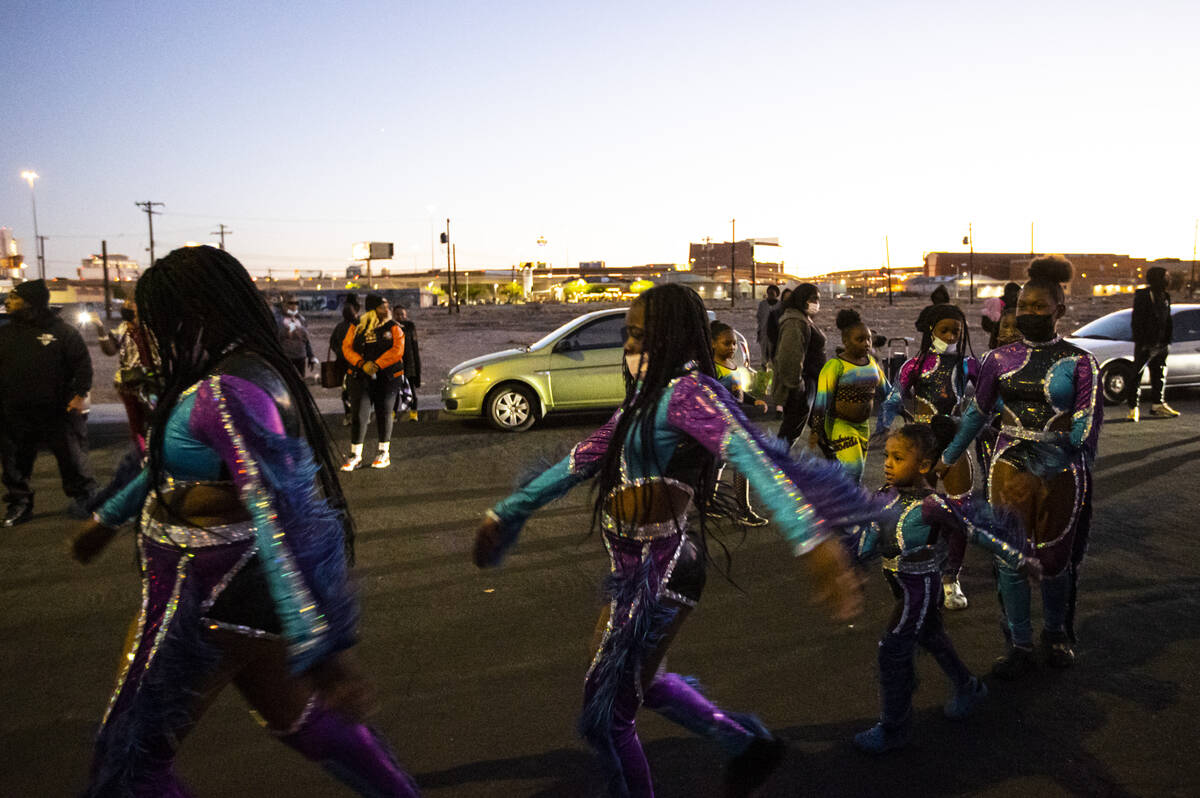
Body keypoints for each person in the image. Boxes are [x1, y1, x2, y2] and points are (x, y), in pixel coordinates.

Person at [474, 284, 878, 798]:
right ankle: (746, 745)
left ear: (670, 336)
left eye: (640, 335)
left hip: (661, 572)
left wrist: (810, 539)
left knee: (607, 712)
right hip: (631, 573)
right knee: (636, 684)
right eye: (628, 335)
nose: (629, 346)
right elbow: (576, 463)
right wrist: (507, 514)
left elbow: (753, 458)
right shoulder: (643, 404)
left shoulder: (691, 394)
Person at [68, 246, 419, 797]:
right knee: (301, 722)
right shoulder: (231, 372)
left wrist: (319, 648)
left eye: (151, 320)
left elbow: (275, 509)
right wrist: (107, 520)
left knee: (128, 758)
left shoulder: (227, 390)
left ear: (191, 314)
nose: (144, 332)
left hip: (205, 594)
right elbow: (171, 463)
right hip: (238, 592)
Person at [936, 255, 1101, 678]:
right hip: (1008, 466)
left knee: (1054, 561)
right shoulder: (997, 360)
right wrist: (949, 455)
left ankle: (1057, 635)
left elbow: (1086, 424)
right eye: (1023, 307)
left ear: (1059, 310)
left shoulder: (1083, 363)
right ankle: (1019, 643)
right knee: (1009, 559)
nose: (1028, 313)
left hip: (1060, 470)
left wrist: (1071, 447)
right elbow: (976, 413)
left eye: (1039, 307)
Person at [851, 421, 1041, 753]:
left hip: (919, 589)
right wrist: (851, 561)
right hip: (899, 584)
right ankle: (968, 687)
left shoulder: (932, 505)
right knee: (933, 638)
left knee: (892, 650)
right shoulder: (882, 496)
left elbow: (975, 530)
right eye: (886, 456)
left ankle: (894, 728)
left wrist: (1018, 558)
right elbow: (868, 538)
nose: (888, 464)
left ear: (924, 465)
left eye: (898, 458)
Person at [875, 303, 979, 610]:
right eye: (944, 330)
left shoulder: (969, 365)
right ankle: (911, 570)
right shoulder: (913, 366)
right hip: (921, 446)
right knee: (913, 512)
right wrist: (887, 429)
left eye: (956, 332)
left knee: (960, 515)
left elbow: (987, 402)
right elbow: (893, 399)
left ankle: (951, 578)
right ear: (929, 330)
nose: (950, 336)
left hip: (954, 445)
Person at [0, 279, 98, 526]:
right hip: (14, 413)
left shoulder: (62, 332)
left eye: (14, 297)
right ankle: (19, 503)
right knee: (15, 463)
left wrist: (78, 396)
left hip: (59, 412)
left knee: (72, 460)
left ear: (31, 302)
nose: (8, 301)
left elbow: (83, 366)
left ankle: (85, 498)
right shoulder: (5, 333)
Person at [809, 309, 890, 484]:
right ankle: (849, 504)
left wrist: (902, 409)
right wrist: (816, 429)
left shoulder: (872, 364)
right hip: (841, 425)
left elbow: (888, 391)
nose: (866, 344)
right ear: (845, 341)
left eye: (868, 339)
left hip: (863, 426)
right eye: (860, 340)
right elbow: (821, 400)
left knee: (854, 473)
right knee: (854, 470)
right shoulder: (835, 366)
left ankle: (841, 501)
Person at [711, 320, 767, 527]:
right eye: (727, 343)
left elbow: (738, 392)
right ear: (712, 344)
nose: (732, 347)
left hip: (735, 424)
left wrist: (753, 400)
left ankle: (709, 502)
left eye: (734, 343)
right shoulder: (712, 369)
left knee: (719, 463)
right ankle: (743, 511)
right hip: (722, 426)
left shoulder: (732, 365)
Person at [341, 294, 405, 470]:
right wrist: (362, 364)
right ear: (372, 309)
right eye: (383, 306)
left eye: (387, 306)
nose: (387, 309)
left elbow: (397, 350)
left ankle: (384, 452)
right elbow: (346, 348)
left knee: (384, 411)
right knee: (359, 415)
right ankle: (355, 455)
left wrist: (376, 365)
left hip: (388, 378)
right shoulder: (356, 327)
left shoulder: (394, 327)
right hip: (360, 376)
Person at [91, 298, 159, 453]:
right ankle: (142, 453)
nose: (126, 309)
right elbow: (110, 351)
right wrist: (100, 328)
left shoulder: (152, 328)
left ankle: (154, 451)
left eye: (130, 306)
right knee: (135, 423)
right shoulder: (122, 329)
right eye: (125, 307)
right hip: (128, 384)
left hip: (151, 382)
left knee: (154, 419)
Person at [772, 284, 825, 447]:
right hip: (802, 385)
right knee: (790, 432)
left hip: (811, 383)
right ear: (801, 299)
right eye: (812, 298)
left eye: (818, 299)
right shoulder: (795, 321)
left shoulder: (803, 318)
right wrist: (798, 385)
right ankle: (772, 465)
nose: (816, 302)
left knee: (816, 426)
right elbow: (789, 357)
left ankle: (837, 462)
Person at [1127, 266, 1178, 422]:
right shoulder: (1143, 296)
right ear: (1158, 278)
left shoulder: (1166, 296)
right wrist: (1142, 341)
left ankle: (1158, 405)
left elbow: (1167, 320)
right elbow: (1136, 321)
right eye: (1166, 276)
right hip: (1146, 344)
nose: (1169, 279)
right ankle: (1133, 408)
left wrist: (1167, 340)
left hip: (1162, 343)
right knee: (1136, 375)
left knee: (1159, 375)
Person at [329, 298, 360, 426]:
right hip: (356, 365)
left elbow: (333, 343)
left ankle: (349, 415)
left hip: (346, 364)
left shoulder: (340, 327)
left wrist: (340, 353)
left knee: (347, 391)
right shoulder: (360, 326)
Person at [279, 297, 319, 378]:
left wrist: (311, 356)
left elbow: (306, 341)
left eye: (296, 303)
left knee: (300, 379)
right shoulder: (279, 320)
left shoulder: (301, 319)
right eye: (291, 303)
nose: (294, 306)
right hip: (287, 356)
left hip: (300, 356)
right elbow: (277, 338)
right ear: (285, 305)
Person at [394, 305, 422, 422]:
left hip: (409, 366)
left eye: (402, 314)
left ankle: (413, 414)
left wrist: (417, 369)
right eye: (397, 314)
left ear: (406, 315)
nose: (400, 316)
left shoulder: (410, 327)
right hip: (395, 367)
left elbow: (415, 348)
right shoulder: (391, 327)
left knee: (411, 392)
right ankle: (392, 415)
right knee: (394, 394)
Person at [981, 282, 1021, 349]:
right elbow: (986, 324)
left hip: (999, 342)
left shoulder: (1018, 304)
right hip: (1002, 341)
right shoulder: (1018, 305)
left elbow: (986, 324)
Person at [755, 285, 781, 368]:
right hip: (764, 332)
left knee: (774, 354)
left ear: (776, 294)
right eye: (769, 293)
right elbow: (759, 317)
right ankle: (764, 371)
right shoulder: (763, 304)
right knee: (764, 355)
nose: (770, 295)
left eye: (772, 293)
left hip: (775, 334)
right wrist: (759, 331)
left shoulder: (780, 305)